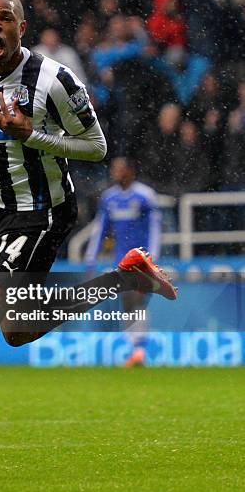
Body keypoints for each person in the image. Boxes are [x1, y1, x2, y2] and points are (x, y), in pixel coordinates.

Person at [0, 0, 177, 474]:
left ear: (20, 28)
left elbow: (97, 147)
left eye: (4, 19)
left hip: (43, 209)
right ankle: (127, 278)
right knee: (13, 332)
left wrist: (31, 134)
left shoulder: (53, 79)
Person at [84, 157, 161, 366]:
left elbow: (155, 228)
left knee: (137, 299)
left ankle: (140, 348)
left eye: (119, 169)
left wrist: (152, 257)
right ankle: (135, 348)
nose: (115, 173)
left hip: (141, 258)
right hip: (121, 260)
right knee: (128, 302)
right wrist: (91, 257)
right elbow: (100, 229)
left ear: (130, 171)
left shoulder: (145, 196)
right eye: (113, 169)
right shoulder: (109, 198)